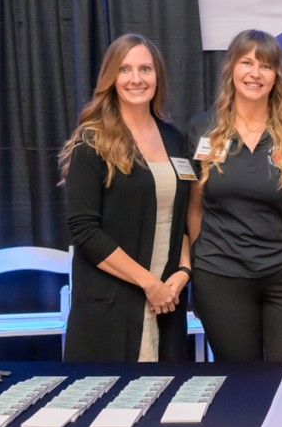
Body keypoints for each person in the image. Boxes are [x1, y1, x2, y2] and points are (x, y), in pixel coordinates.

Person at [187, 29, 282, 361]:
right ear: (231, 68)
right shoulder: (203, 130)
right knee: (241, 382)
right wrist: (200, 264)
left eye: (266, 65)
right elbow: (194, 208)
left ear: (277, 76)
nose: (255, 73)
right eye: (246, 62)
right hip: (220, 278)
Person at [61, 34, 193, 363]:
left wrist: (184, 270)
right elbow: (84, 231)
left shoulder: (175, 140)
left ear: (157, 76)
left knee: (165, 390)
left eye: (145, 69)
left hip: (167, 301)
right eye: (125, 69)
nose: (136, 79)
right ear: (111, 78)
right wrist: (149, 284)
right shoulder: (92, 141)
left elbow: (181, 218)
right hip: (113, 304)